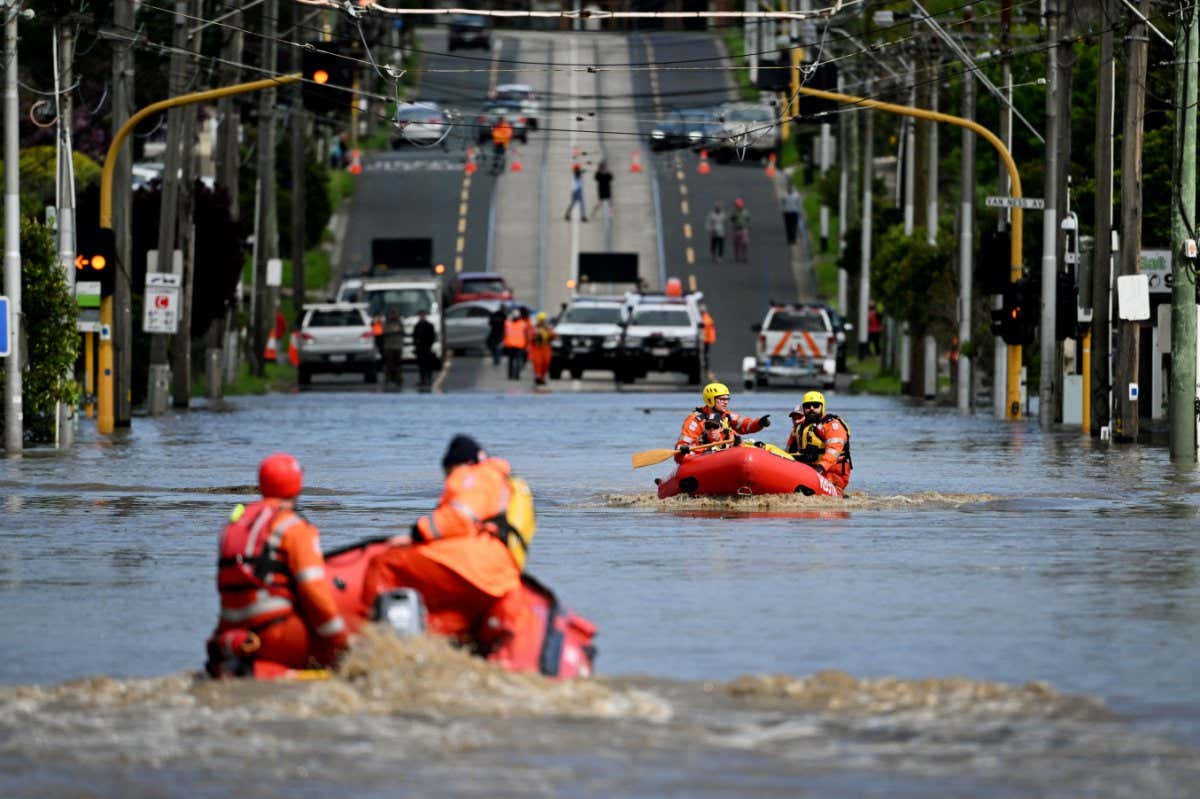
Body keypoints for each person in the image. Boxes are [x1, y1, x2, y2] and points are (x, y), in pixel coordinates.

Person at [360, 436, 533, 658]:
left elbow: (459, 516)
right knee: (452, 618)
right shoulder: (501, 481)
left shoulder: (475, 475)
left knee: (383, 563)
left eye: (447, 472)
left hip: (475, 563)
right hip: (499, 575)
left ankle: (370, 643)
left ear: (459, 464)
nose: (447, 479)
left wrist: (417, 534)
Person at [207, 453, 350, 676]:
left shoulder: (233, 526)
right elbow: (314, 591)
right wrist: (342, 641)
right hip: (275, 635)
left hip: (230, 636)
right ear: (297, 484)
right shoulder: (293, 527)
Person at [675, 382, 770, 462]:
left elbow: (745, 425)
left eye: (727, 399)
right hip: (703, 458)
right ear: (710, 399)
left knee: (759, 446)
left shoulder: (727, 415)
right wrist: (682, 449)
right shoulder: (695, 420)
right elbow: (682, 444)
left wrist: (759, 423)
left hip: (726, 455)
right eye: (722, 399)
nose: (726, 402)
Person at [784, 391, 852, 491]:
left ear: (822, 406)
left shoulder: (831, 425)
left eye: (815, 406)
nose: (811, 408)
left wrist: (820, 468)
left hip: (832, 474)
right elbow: (788, 453)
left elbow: (834, 450)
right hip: (810, 470)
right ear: (804, 409)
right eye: (807, 406)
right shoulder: (800, 428)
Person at [527, 311, 556, 386]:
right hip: (537, 348)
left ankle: (542, 377)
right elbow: (530, 337)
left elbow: (554, 335)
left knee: (546, 363)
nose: (543, 321)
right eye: (542, 320)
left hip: (546, 348)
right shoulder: (535, 328)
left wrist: (549, 333)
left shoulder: (548, 328)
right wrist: (536, 336)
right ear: (539, 320)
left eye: (544, 320)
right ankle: (538, 377)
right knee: (538, 363)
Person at [503, 307, 532, 379]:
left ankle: (510, 375)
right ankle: (516, 375)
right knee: (518, 360)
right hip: (520, 345)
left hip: (510, 345)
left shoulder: (507, 323)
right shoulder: (523, 324)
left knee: (511, 360)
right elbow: (527, 335)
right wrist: (527, 344)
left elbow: (504, 334)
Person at [412, 309, 438, 388]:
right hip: (420, 348)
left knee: (428, 365)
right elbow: (414, 336)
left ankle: (429, 379)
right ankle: (422, 380)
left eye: (422, 315)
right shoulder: (417, 325)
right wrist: (416, 345)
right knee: (421, 365)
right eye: (420, 315)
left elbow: (432, 337)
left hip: (427, 347)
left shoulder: (429, 325)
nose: (421, 316)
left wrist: (429, 344)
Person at [381, 308, 405, 387]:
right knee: (389, 364)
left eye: (395, 314)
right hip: (389, 346)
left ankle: (398, 378)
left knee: (398, 364)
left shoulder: (399, 323)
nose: (393, 316)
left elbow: (402, 331)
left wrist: (395, 330)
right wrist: (393, 330)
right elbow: (383, 331)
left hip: (397, 346)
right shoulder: (386, 323)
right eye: (392, 314)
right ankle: (388, 378)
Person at [731, 198, 751, 262]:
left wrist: (746, 226)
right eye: (737, 205)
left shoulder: (745, 212)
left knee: (744, 244)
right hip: (736, 230)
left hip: (743, 229)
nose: (738, 207)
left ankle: (744, 256)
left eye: (738, 205)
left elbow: (748, 219)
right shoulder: (734, 213)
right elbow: (732, 219)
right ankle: (736, 256)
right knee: (736, 244)